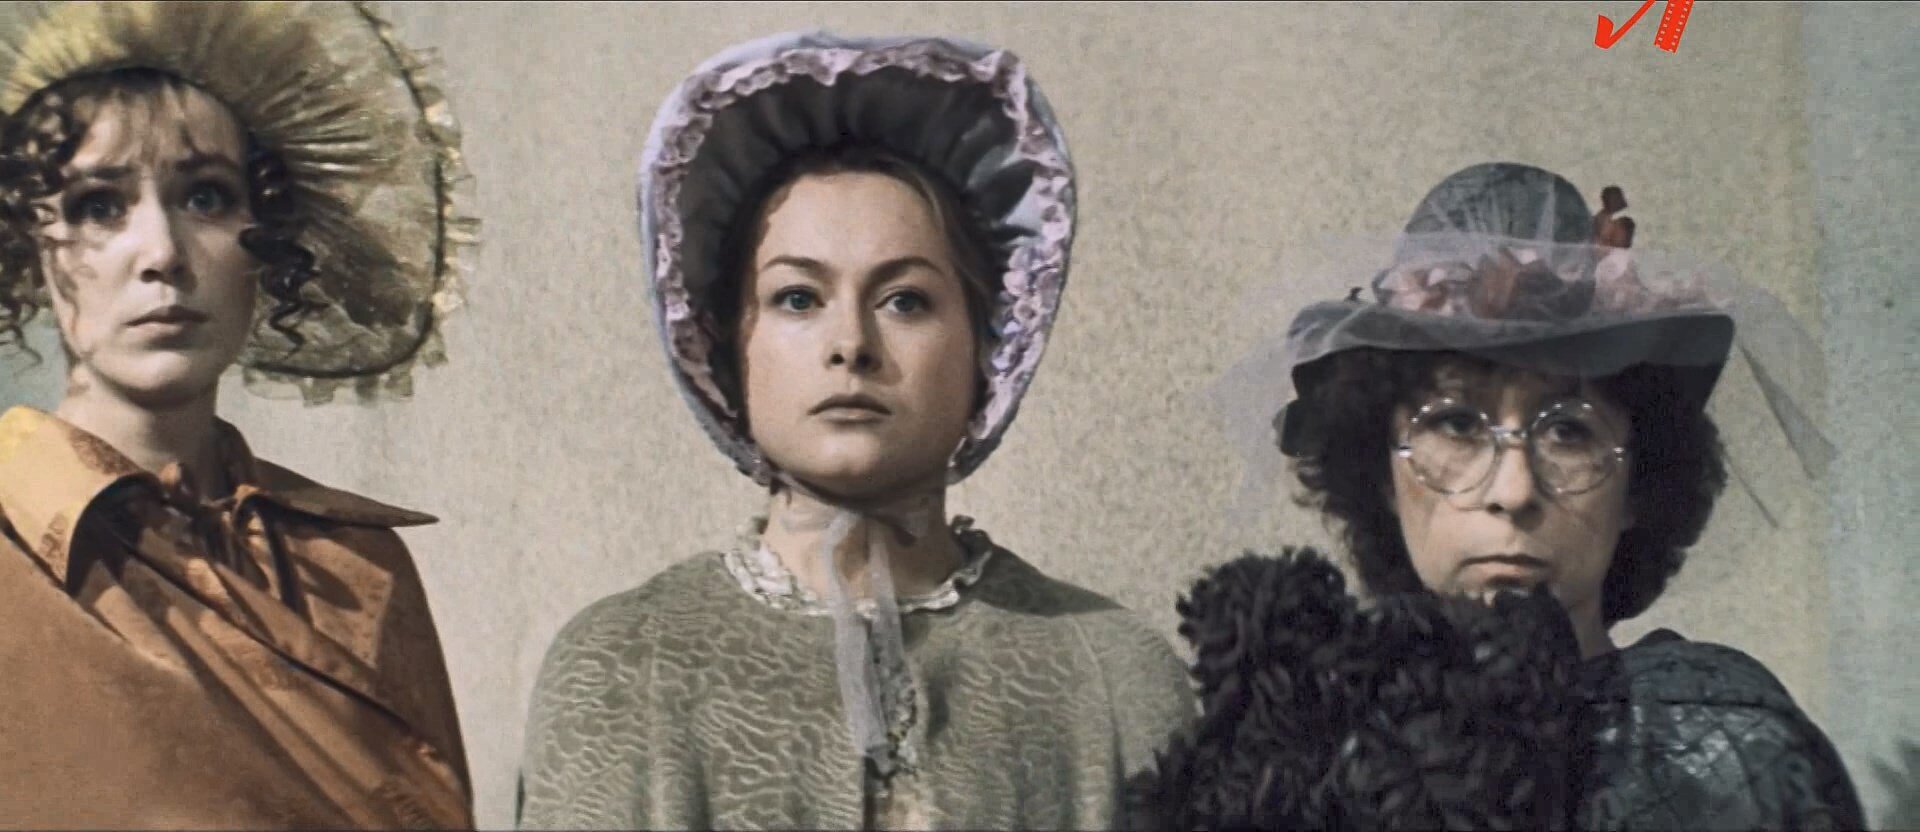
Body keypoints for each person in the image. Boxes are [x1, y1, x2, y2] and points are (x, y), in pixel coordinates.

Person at [517, 31, 1194, 831]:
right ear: (730, 345)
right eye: (798, 299)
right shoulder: (619, 665)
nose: (851, 345)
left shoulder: (1112, 671)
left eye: (905, 300)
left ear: (990, 347)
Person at [1134, 162, 1863, 829]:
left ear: (1638, 485)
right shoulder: (1292, 751)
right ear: (1382, 474)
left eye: (1568, 432)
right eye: (1455, 424)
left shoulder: (1724, 747)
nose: (1513, 492)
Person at [0, 3, 476, 827]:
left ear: (268, 237)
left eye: (206, 197)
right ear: (34, 245)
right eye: (100, 206)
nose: (162, 253)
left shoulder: (359, 563)